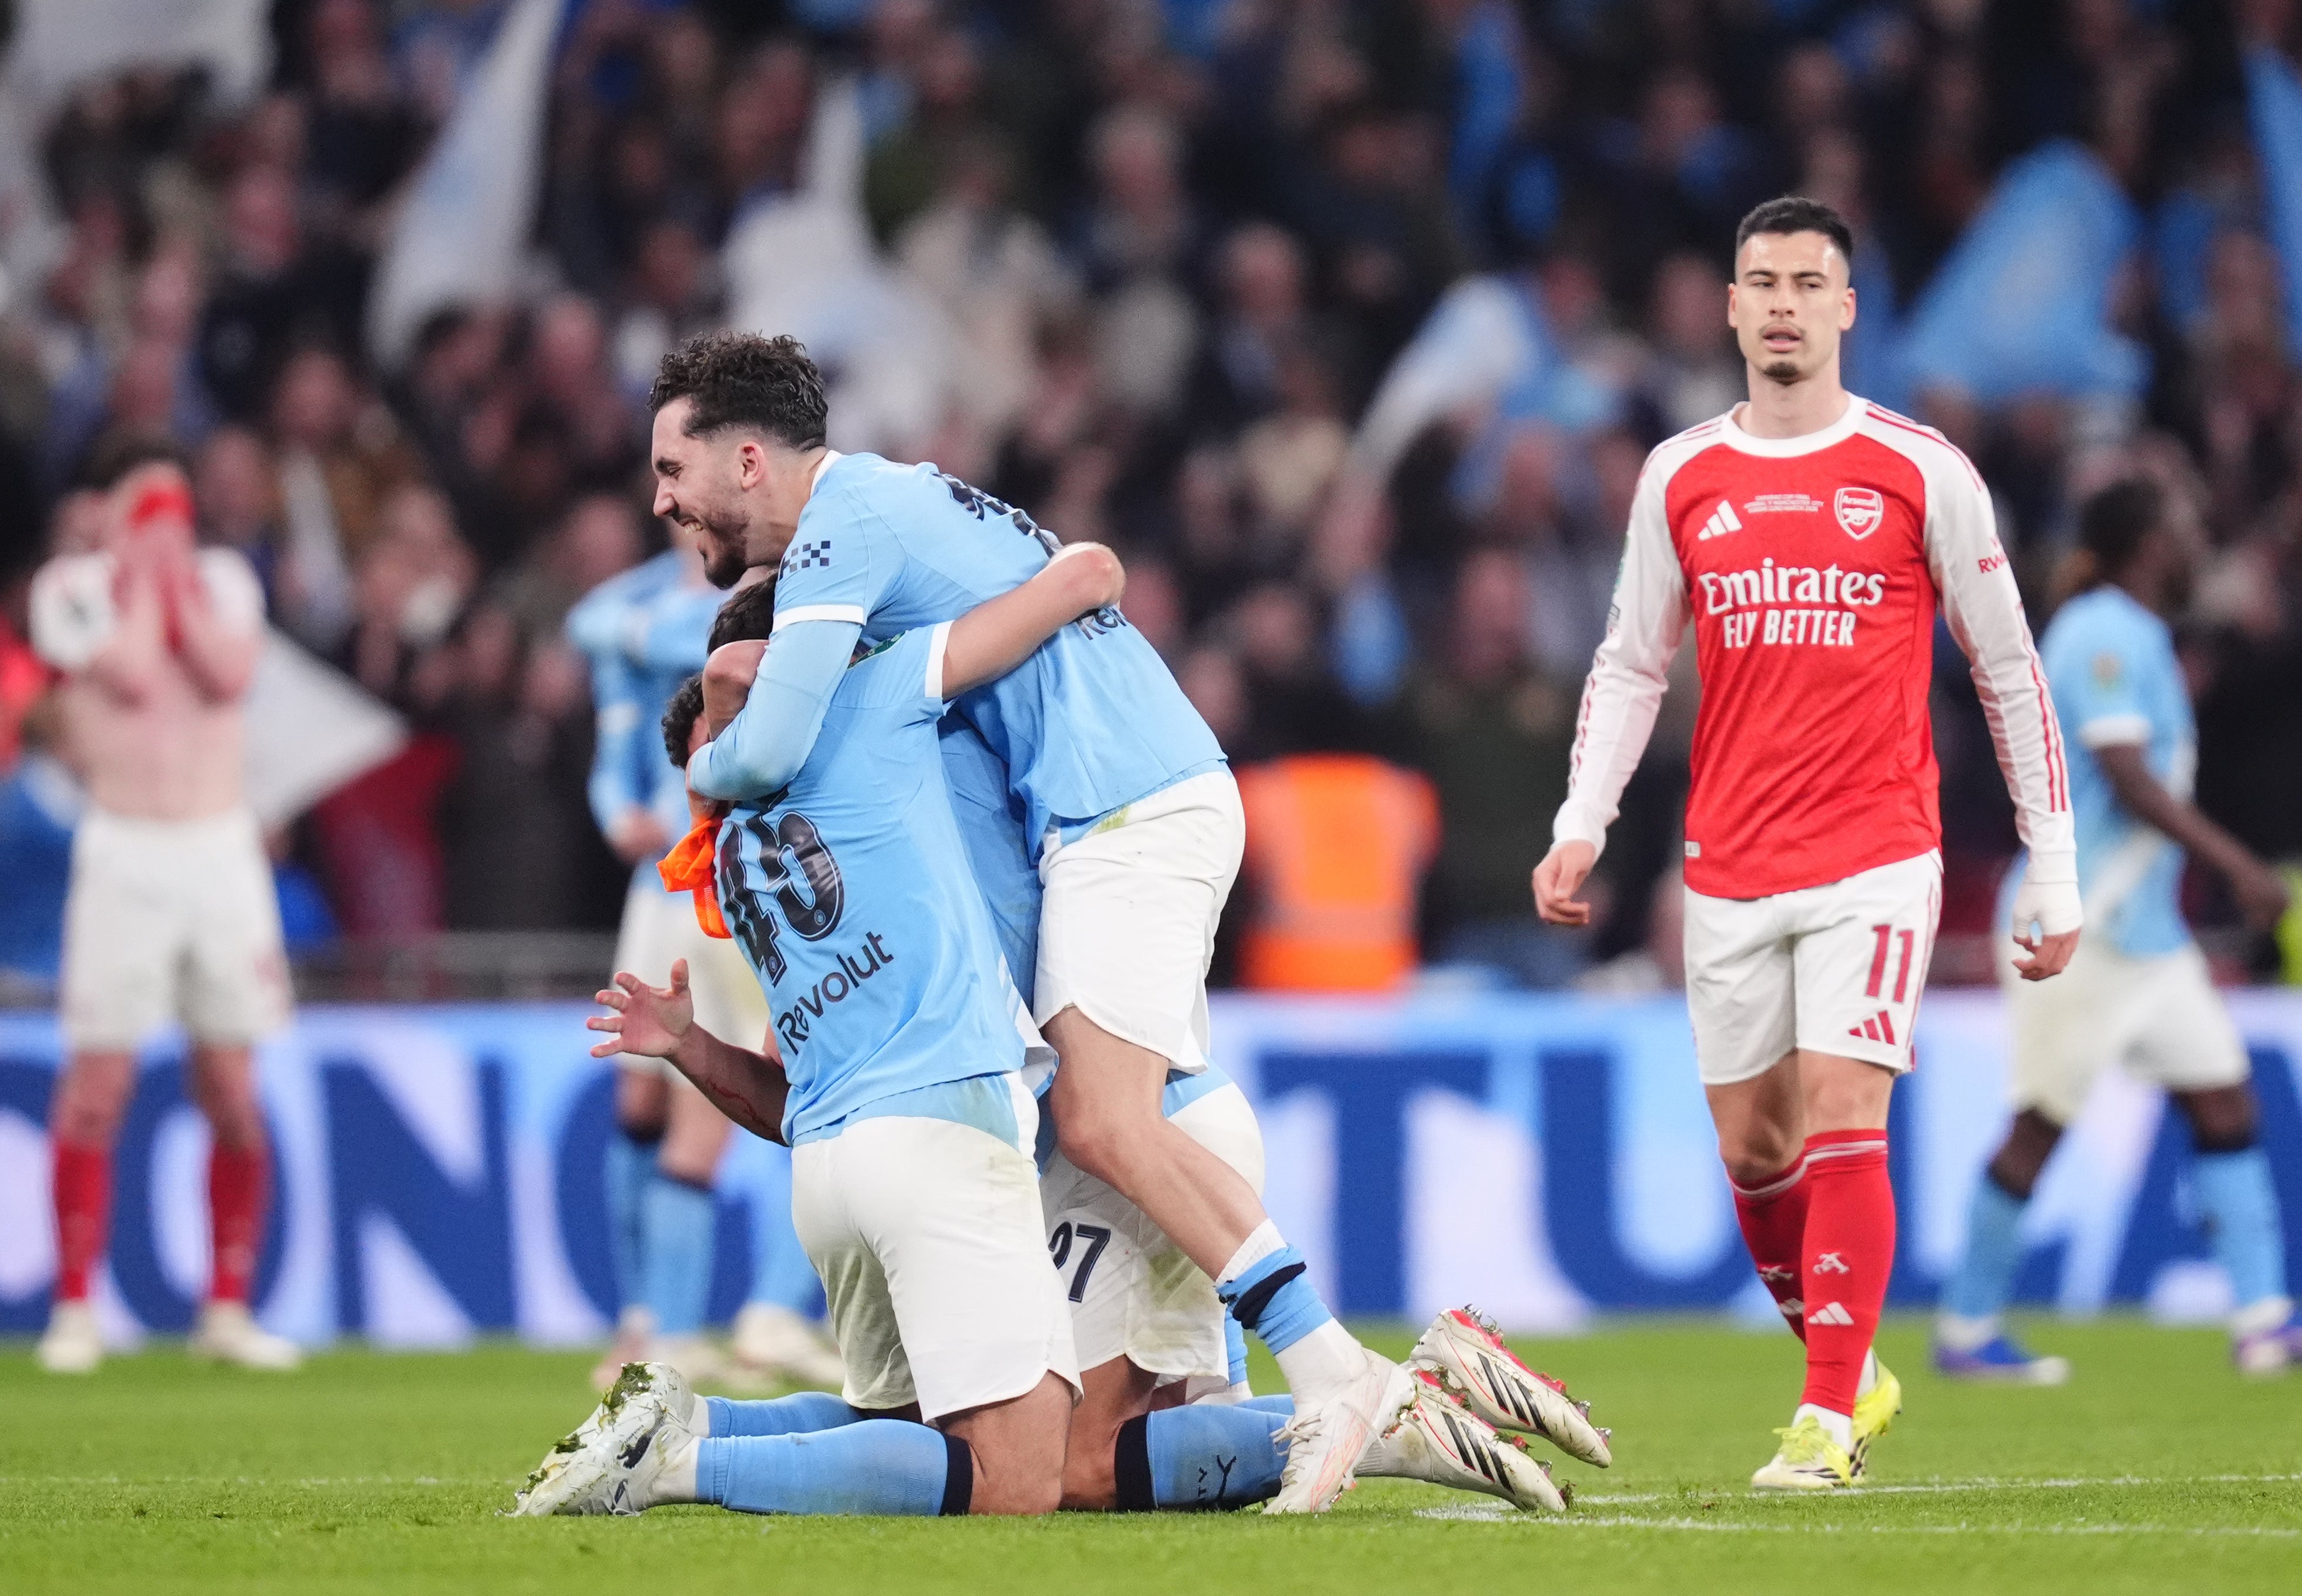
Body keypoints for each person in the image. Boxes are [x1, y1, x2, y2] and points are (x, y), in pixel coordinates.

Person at [519, 567, 1598, 1518]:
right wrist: (697, 1049)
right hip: (1040, 1143)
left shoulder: (864, 781)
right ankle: (692, 1425)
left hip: (1121, 1129)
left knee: (1065, 1466)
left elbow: (769, 683)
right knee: (932, 1426)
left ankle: (1386, 1414)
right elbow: (810, 1099)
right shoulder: (827, 836)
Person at [646, 331, 1399, 1511]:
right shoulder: (892, 518)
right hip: (1100, 808)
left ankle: (1338, 1375)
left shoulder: (847, 528)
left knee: (1102, 1115)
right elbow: (1073, 575)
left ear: (747, 459)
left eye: (670, 471)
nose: (661, 500)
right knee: (1108, 1136)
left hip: (1119, 802)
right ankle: (1297, 1399)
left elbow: (775, 747)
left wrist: (700, 787)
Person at [1531, 197, 2080, 1489]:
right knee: (1754, 1150)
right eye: (1758, 281)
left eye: (1806, 282)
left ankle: (1825, 1418)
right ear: (1729, 308)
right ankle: (1856, 1369)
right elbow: (1626, 662)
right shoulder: (1679, 474)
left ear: (1844, 309)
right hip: (1728, 859)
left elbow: (2007, 672)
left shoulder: (1920, 468)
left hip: (1876, 849)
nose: (1780, 302)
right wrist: (1581, 824)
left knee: (1844, 1114)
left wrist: (2048, 865)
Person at [1936, 479, 2301, 1379]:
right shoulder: (2100, 628)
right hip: (2075, 926)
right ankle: (1966, 1329)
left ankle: (2262, 1322)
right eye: (2181, 526)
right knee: (2039, 1127)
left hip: (2144, 938)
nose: (2192, 543)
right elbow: (2128, 776)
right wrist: (2237, 863)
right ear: (2146, 542)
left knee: (2222, 1098)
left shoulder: (2140, 635)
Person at [25, 443, 301, 1373]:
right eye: (144, 510)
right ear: (104, 510)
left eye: (172, 511)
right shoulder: (69, 588)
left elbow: (227, 674)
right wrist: (139, 576)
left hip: (220, 851)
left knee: (231, 1088)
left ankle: (226, 1305)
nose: (161, 530)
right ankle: (74, 1305)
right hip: (125, 852)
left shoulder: (222, 580)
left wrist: (171, 578)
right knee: (97, 1086)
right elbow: (135, 673)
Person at [567, 542, 841, 1393]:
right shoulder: (672, 596)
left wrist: (647, 622)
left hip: (731, 865)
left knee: (742, 1092)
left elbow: (621, 632)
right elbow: (590, 625)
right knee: (648, 1095)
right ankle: (662, 1319)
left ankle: (720, 1316)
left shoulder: (778, 599)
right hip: (674, 875)